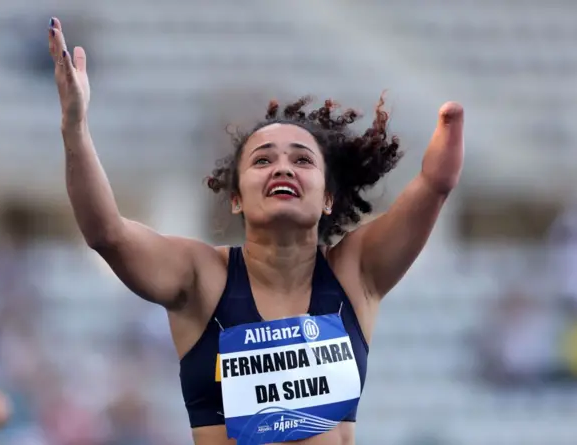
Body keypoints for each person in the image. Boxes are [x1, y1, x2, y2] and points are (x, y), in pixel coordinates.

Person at [48, 16, 464, 445]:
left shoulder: (354, 273)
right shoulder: (201, 276)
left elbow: (431, 187)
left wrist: (443, 165)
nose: (283, 166)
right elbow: (106, 233)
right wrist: (75, 127)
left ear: (327, 199)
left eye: (302, 160)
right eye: (263, 160)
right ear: (236, 198)